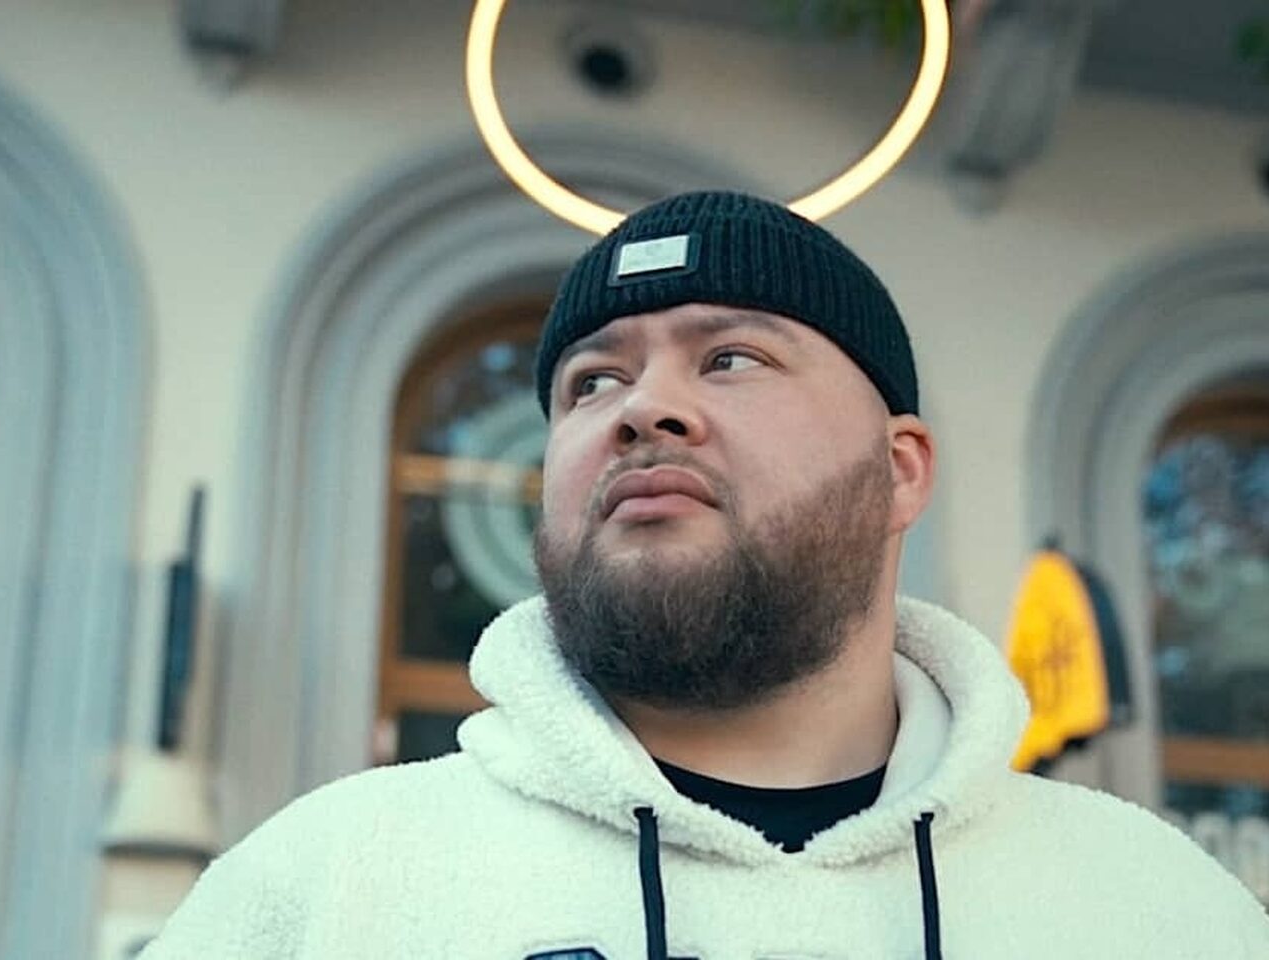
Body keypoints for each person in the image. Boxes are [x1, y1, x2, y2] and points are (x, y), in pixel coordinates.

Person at [143, 192, 1269, 959]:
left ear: (898, 469)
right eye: (591, 383)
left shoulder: (1154, 908)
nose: (643, 409)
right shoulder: (327, 886)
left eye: (730, 358)